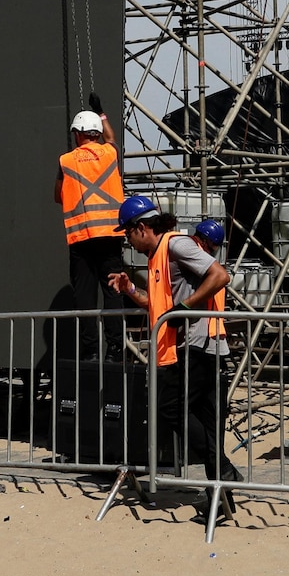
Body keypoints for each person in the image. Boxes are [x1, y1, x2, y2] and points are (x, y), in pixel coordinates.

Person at [108, 196, 243, 499]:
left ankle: (222, 469)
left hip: (197, 345)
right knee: (207, 422)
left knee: (170, 408)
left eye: (127, 233)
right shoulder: (157, 257)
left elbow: (220, 276)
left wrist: (185, 308)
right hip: (195, 346)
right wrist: (130, 289)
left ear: (141, 228)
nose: (127, 240)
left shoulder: (176, 245)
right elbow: (157, 306)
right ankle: (221, 496)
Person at [55, 92, 127, 361]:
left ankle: (90, 351)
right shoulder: (110, 153)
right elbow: (112, 137)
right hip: (110, 236)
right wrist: (101, 112)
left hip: (81, 238)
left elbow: (57, 196)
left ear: (77, 134)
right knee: (113, 290)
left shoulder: (66, 161)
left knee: (85, 296)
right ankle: (115, 349)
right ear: (96, 133)